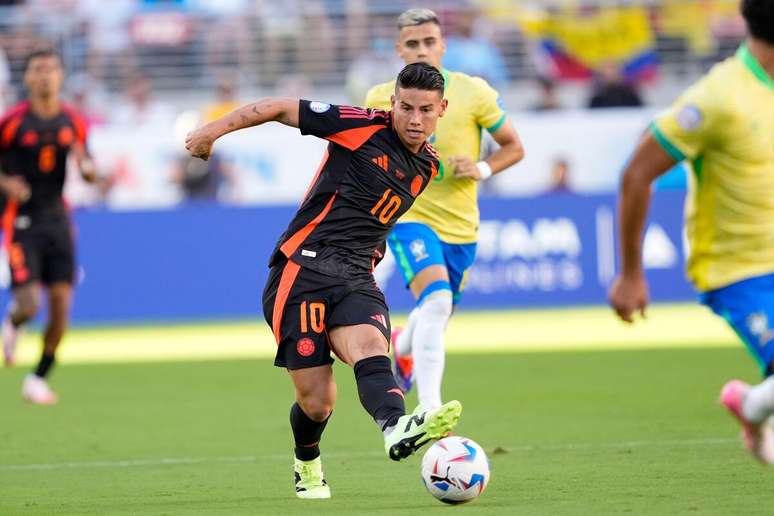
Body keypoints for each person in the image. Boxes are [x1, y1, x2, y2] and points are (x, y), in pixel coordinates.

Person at [185, 63, 462, 499]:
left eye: (425, 110)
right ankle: (307, 462)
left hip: (355, 276)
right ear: (392, 102)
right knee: (318, 401)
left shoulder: (426, 167)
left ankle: (395, 427)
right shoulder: (359, 126)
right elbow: (278, 108)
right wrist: (211, 131)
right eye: (405, 107)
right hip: (301, 271)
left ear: (441, 109)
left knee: (372, 347)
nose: (414, 119)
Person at [608, 0, 774, 464]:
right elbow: (637, 174)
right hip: (740, 271)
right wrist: (631, 273)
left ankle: (752, 403)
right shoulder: (717, 97)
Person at [364, 8, 524, 410]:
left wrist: (481, 167)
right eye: (413, 44)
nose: (422, 51)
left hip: (461, 226)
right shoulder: (380, 97)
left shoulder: (474, 92)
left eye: (429, 42)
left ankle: (401, 344)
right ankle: (430, 409)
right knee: (436, 302)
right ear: (400, 48)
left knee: (437, 310)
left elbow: (514, 146)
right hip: (408, 217)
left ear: (443, 45)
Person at [0, 49, 97, 404]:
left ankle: (38, 378)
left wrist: (88, 170)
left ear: (60, 77)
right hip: (22, 221)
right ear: (27, 78)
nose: (44, 76)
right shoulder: (11, 122)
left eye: (50, 70)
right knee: (29, 304)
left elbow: (87, 159)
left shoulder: (73, 121)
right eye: (37, 70)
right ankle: (14, 321)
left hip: (58, 219)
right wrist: (7, 183)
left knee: (60, 309)